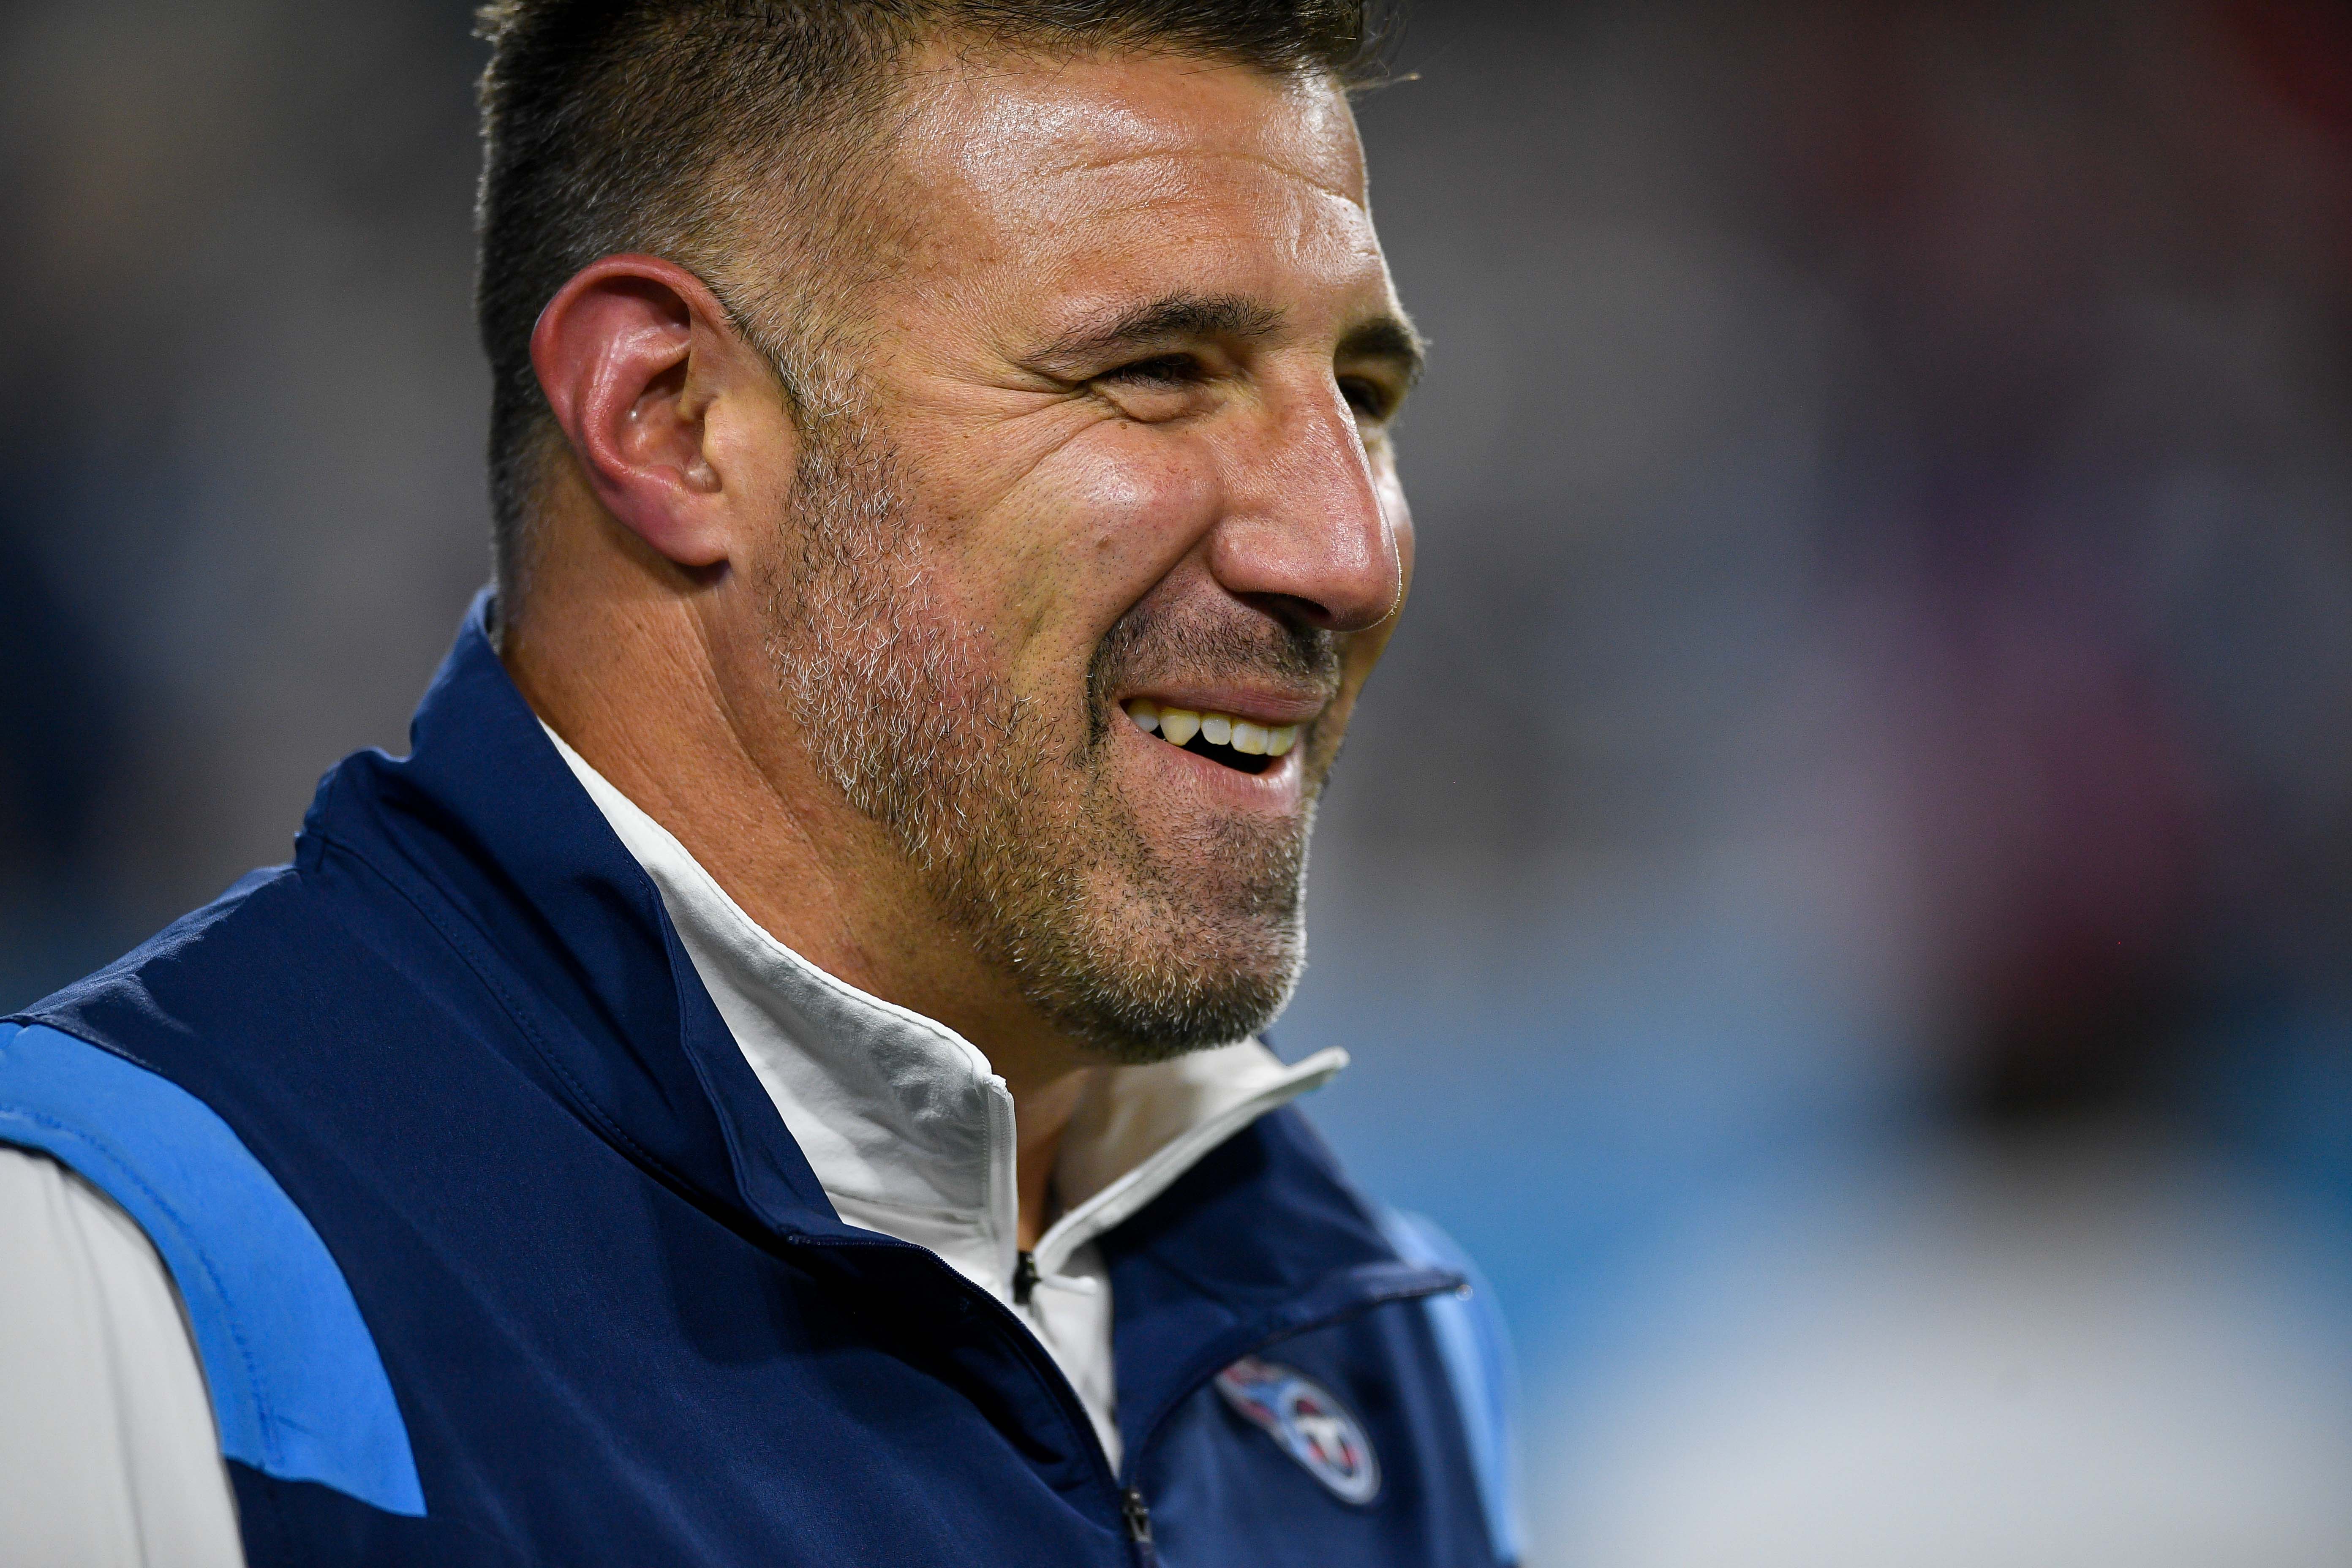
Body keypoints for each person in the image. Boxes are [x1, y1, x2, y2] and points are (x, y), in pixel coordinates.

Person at [0, 2, 1517, 1563]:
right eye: (1154, 370)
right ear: (672, 422)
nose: (1347, 552)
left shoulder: (1375, 1347)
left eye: (1366, 396)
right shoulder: (103, 1291)